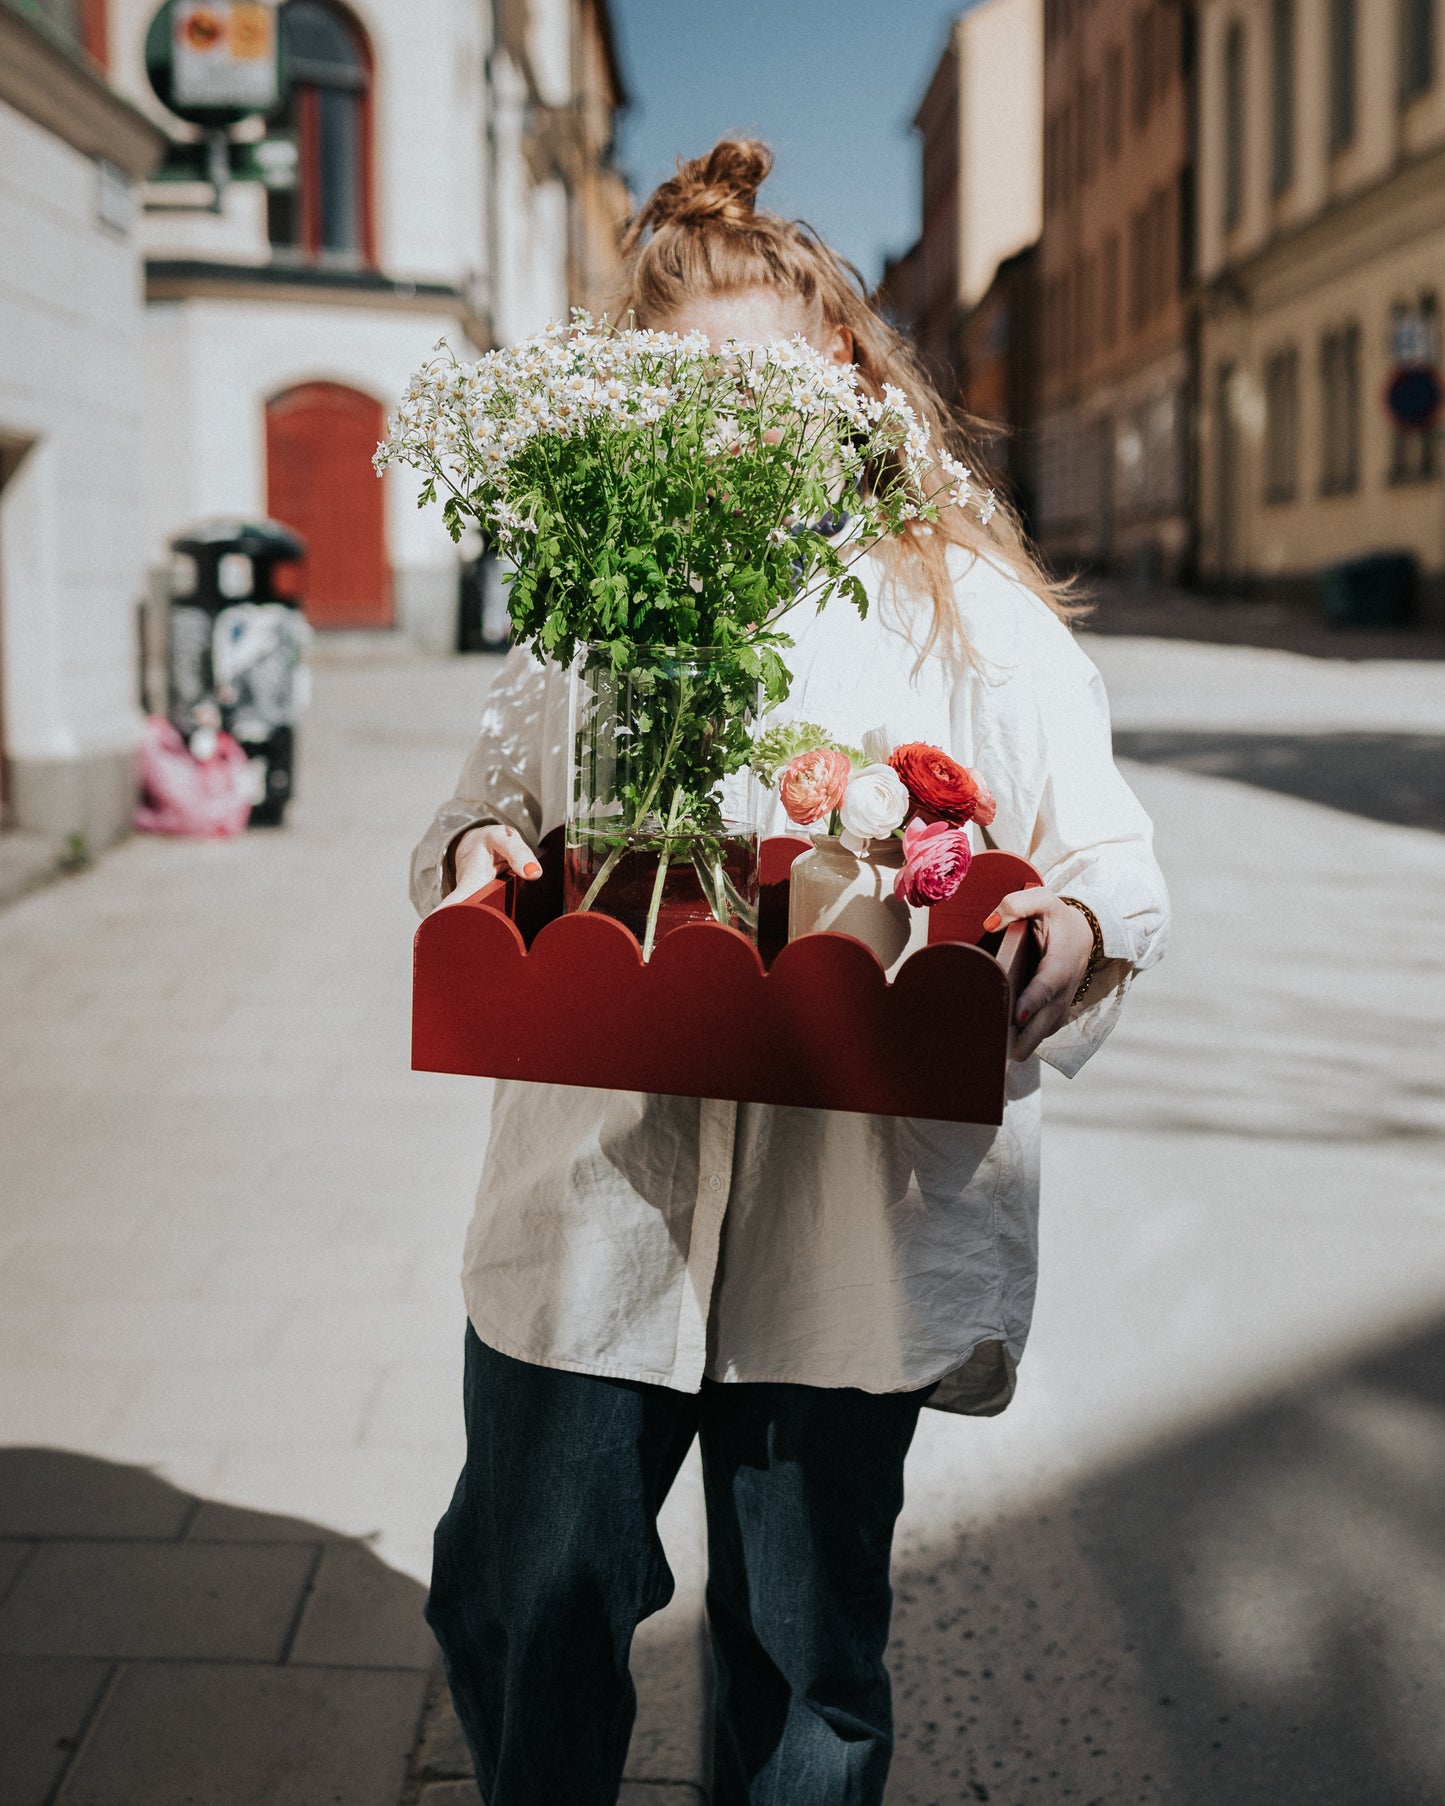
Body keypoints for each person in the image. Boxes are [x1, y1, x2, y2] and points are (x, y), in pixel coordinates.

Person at [411, 138, 1171, 1806]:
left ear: (839, 368)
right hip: (596, 1206)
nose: (721, 426)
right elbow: (484, 809)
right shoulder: (601, 590)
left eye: (754, 383)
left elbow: (1113, 860)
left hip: (851, 1221)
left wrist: (1070, 932)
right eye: (680, 395)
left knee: (807, 1661)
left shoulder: (962, 610)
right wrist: (475, 853)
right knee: (526, 1593)